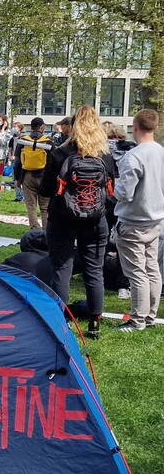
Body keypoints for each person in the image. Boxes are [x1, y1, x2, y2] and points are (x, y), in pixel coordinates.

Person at [39, 106, 117, 339]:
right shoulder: (105, 156)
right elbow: (111, 189)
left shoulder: (59, 153)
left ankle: (62, 322)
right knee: (94, 270)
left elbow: (45, 189)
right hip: (95, 219)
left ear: (73, 127)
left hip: (62, 217)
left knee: (62, 268)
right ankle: (95, 323)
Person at [113, 109, 164, 332]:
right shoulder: (161, 152)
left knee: (137, 272)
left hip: (133, 220)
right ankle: (150, 315)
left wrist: (113, 185)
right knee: (152, 268)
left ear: (135, 127)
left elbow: (125, 193)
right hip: (155, 219)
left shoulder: (133, 156)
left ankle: (138, 320)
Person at [13, 117, 52, 230]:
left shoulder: (23, 140)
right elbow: (53, 161)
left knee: (31, 206)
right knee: (45, 207)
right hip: (44, 176)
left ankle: (35, 229)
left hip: (27, 176)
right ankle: (46, 230)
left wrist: (18, 179)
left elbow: (17, 162)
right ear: (42, 127)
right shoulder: (48, 141)